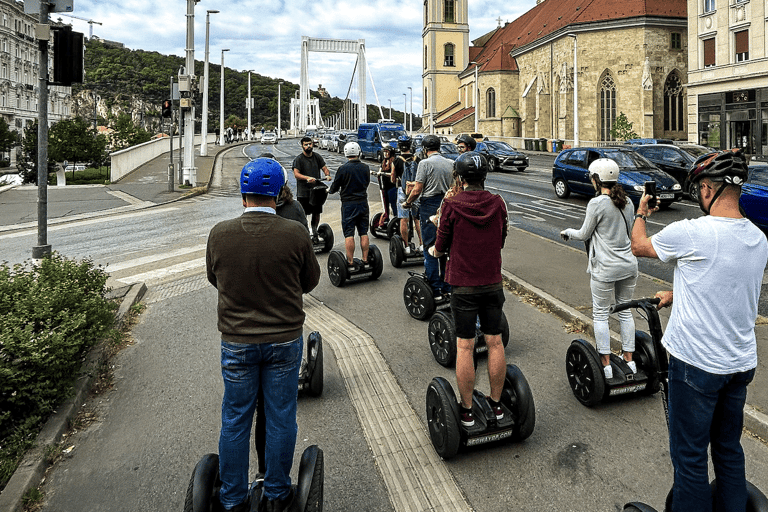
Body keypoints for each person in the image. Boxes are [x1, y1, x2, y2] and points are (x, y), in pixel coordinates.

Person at [631, 148, 768, 512]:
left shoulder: (692, 232)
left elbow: (638, 246)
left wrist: (641, 211)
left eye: (699, 190)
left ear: (708, 189)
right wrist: (678, 293)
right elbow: (729, 282)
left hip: (697, 366)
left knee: (690, 458)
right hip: (739, 365)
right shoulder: (758, 239)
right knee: (727, 450)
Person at [206, 157, 321, 512]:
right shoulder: (295, 233)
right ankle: (275, 494)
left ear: (244, 195)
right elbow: (310, 281)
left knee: (236, 416)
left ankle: (232, 499)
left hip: (238, 340)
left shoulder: (220, 233)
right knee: (280, 414)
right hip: (284, 340)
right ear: (278, 194)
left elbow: (215, 279)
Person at [431, 151, 508, 428]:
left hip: (463, 284)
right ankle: (497, 406)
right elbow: (500, 239)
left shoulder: (452, 205)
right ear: (484, 176)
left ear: (461, 178)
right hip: (491, 282)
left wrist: (438, 250)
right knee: (495, 342)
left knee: (465, 345)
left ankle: (466, 411)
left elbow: (441, 243)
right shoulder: (497, 203)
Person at [559, 158, 638, 379]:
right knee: (624, 311)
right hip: (629, 265)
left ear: (596, 179)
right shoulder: (628, 202)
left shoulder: (597, 203)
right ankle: (630, 362)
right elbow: (629, 233)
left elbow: (584, 234)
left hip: (605, 268)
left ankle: (606, 365)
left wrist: (567, 232)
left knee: (601, 314)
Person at [403, 134, 454, 297]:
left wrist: (408, 202)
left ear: (425, 149)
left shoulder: (424, 164)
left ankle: (435, 286)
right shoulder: (451, 163)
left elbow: (417, 189)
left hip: (430, 205)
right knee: (445, 246)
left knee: (430, 245)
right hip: (446, 204)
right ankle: (447, 285)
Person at [328, 141, 371, 270]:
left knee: (349, 233)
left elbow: (335, 187)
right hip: (363, 202)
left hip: (348, 205)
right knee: (363, 232)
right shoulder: (365, 167)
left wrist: (329, 190)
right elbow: (367, 182)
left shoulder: (343, 169)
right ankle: (365, 260)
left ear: (346, 153)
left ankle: (350, 262)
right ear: (358, 152)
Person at [292, 136, 331, 242]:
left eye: (310, 144)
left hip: (316, 191)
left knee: (316, 212)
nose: (308, 146)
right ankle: (304, 233)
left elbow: (324, 168)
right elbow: (296, 174)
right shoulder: (299, 159)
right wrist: (307, 178)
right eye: (306, 144)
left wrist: (327, 175)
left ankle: (314, 231)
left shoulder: (317, 157)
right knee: (303, 214)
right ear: (302, 146)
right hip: (303, 192)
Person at [392, 135, 423, 254]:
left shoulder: (397, 160)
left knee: (403, 220)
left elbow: (393, 179)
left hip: (402, 191)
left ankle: (406, 247)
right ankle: (421, 244)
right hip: (416, 191)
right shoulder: (417, 159)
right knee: (417, 219)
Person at [375, 145, 397, 227]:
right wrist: (378, 173)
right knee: (385, 204)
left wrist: (384, 174)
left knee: (393, 204)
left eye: (387, 152)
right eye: (384, 152)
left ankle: (396, 219)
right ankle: (386, 219)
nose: (385, 154)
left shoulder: (393, 162)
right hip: (384, 186)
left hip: (392, 187)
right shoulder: (383, 162)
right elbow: (380, 170)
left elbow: (393, 174)